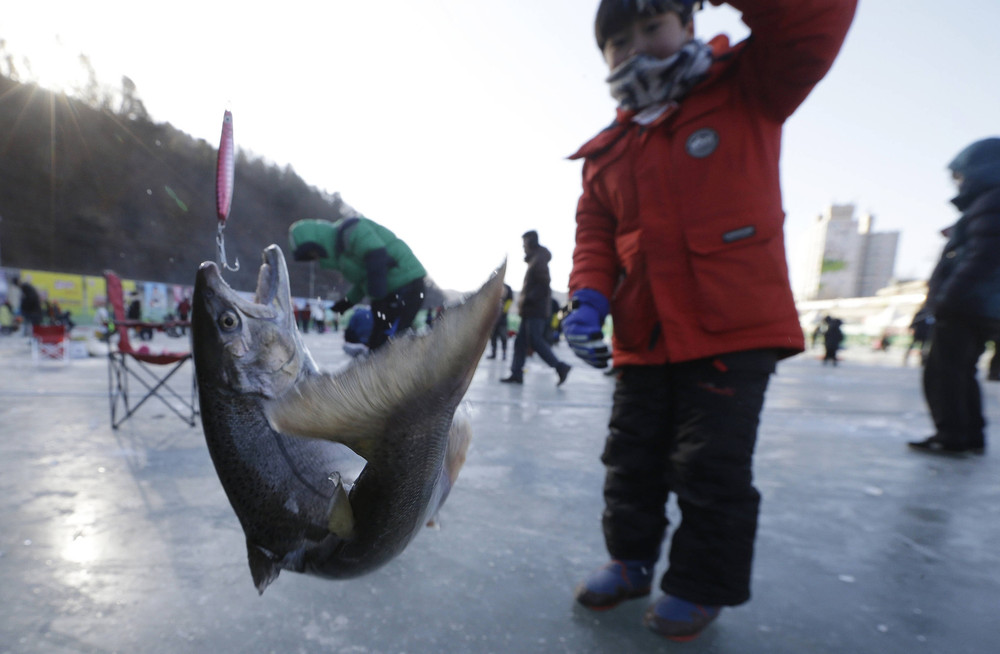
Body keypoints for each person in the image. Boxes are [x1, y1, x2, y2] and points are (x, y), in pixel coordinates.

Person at [560, 0, 855, 641]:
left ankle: (697, 585)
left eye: (651, 27)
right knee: (629, 461)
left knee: (710, 467)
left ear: (688, 25)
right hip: (644, 338)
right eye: (617, 40)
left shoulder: (750, 85)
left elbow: (815, 21)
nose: (635, 47)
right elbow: (596, 237)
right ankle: (630, 559)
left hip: (732, 329)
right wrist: (587, 297)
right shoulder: (607, 150)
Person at [909, 137, 1000, 456]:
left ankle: (952, 435)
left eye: (960, 176)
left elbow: (984, 254)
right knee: (962, 370)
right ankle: (969, 434)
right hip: (980, 303)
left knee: (944, 371)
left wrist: (948, 296)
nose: (958, 184)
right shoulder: (989, 201)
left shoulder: (991, 200)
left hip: (968, 303)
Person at [289, 217, 427, 351]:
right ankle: (376, 366)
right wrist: (345, 303)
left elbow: (376, 254)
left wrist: (379, 297)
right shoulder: (343, 258)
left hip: (407, 284)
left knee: (391, 340)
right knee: (377, 343)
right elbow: (363, 282)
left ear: (316, 244)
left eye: (313, 254)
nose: (316, 259)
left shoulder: (351, 230)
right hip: (388, 292)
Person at [501, 231, 571, 386]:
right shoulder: (535, 259)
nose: (523, 247)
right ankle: (516, 373)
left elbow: (544, 284)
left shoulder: (539, 260)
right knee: (520, 342)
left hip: (535, 310)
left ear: (531, 242)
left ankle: (560, 367)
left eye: (524, 243)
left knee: (536, 341)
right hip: (531, 310)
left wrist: (528, 298)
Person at [487, 283, 514, 360]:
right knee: (493, 337)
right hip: (493, 318)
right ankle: (493, 353)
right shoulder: (495, 287)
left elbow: (510, 299)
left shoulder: (507, 287)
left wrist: (504, 310)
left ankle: (504, 354)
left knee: (503, 337)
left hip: (502, 319)